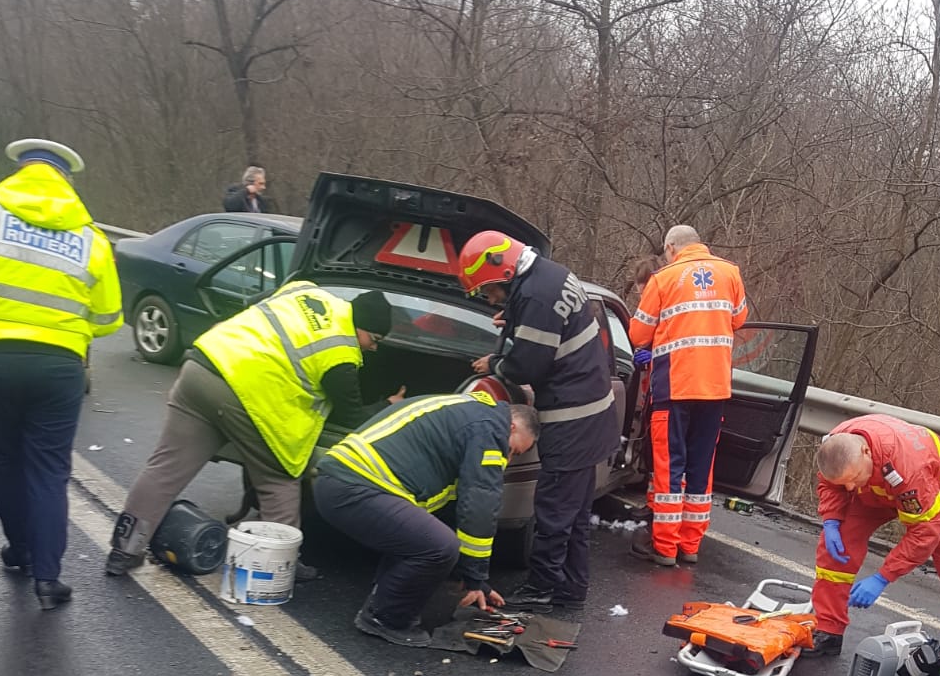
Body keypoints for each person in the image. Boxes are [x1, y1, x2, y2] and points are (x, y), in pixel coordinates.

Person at [0, 138, 122, 608]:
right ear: (66, 182)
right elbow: (109, 318)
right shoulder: (93, 240)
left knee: (3, 460)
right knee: (49, 470)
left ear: (18, 172)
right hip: (57, 367)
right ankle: (48, 579)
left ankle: (20, 550)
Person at [106, 283, 396, 575]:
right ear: (359, 325)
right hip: (244, 395)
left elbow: (255, 303)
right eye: (374, 339)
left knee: (165, 470)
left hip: (203, 367)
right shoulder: (340, 351)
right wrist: (388, 405)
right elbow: (351, 414)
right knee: (278, 479)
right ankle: (279, 567)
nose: (374, 347)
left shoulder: (304, 290)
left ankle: (124, 551)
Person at [460, 232, 617, 611]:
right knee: (576, 516)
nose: (491, 300)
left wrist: (494, 363)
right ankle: (571, 589)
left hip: (571, 422)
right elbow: (551, 325)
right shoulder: (551, 275)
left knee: (554, 512)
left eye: (489, 291)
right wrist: (515, 317)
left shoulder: (535, 297)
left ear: (505, 272)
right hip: (593, 417)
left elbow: (527, 366)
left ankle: (541, 589)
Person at [314, 388, 540, 646]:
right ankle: (386, 619)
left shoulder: (469, 413)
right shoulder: (491, 430)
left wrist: (472, 576)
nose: (507, 459)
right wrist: (475, 577)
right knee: (439, 546)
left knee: (420, 536)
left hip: (343, 481)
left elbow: (458, 512)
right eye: (513, 450)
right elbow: (481, 505)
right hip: (354, 485)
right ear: (511, 426)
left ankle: (384, 603)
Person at [804, 416, 940, 656]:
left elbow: (924, 532)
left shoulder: (909, 469)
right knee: (836, 547)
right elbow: (832, 484)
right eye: (844, 483)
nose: (849, 488)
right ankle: (828, 629)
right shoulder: (837, 450)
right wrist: (831, 519)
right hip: (875, 488)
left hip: (936, 492)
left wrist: (882, 577)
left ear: (866, 452)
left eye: (853, 478)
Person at [627, 225, 748, 567]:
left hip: (675, 386)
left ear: (670, 247)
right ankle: (690, 545)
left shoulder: (664, 278)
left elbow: (638, 333)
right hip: (715, 387)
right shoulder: (730, 273)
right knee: (701, 467)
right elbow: (739, 319)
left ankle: (665, 548)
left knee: (670, 466)